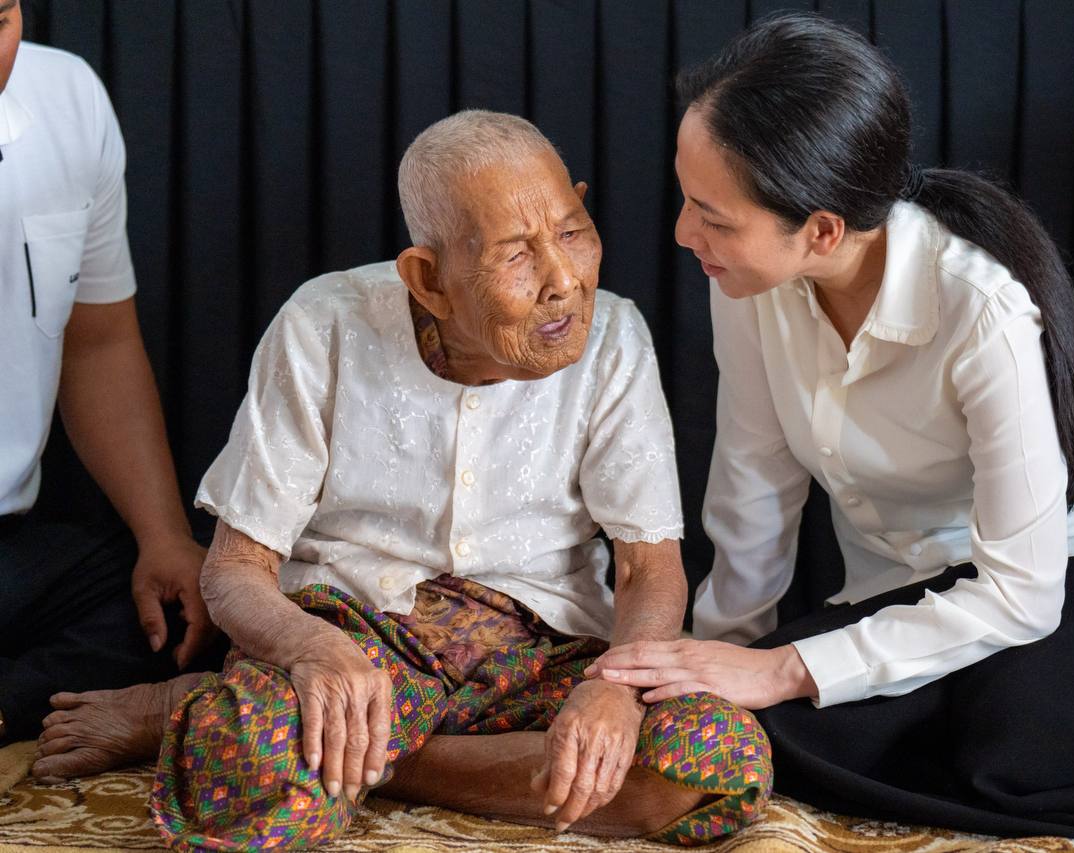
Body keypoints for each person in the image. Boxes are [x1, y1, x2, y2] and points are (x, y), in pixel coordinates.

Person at [588, 13, 1074, 850]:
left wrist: (780, 668)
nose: (682, 234)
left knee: (1027, 744)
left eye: (712, 216)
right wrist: (719, 666)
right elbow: (754, 486)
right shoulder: (746, 278)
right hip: (918, 586)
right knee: (766, 735)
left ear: (822, 229)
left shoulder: (982, 310)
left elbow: (1023, 593)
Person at [31, 110, 771, 849]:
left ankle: (357, 756)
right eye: (516, 253)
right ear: (428, 278)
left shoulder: (615, 335)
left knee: (718, 757)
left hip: (541, 654)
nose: (563, 280)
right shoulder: (323, 324)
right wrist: (312, 650)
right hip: (357, 636)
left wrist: (613, 688)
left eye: (572, 232)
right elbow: (233, 570)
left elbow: (647, 567)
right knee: (249, 759)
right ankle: (329, 736)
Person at [0, 0, 213, 745]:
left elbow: (98, 344)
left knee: (184, 602)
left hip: (9, 547)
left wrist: (164, 535)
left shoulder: (67, 94)